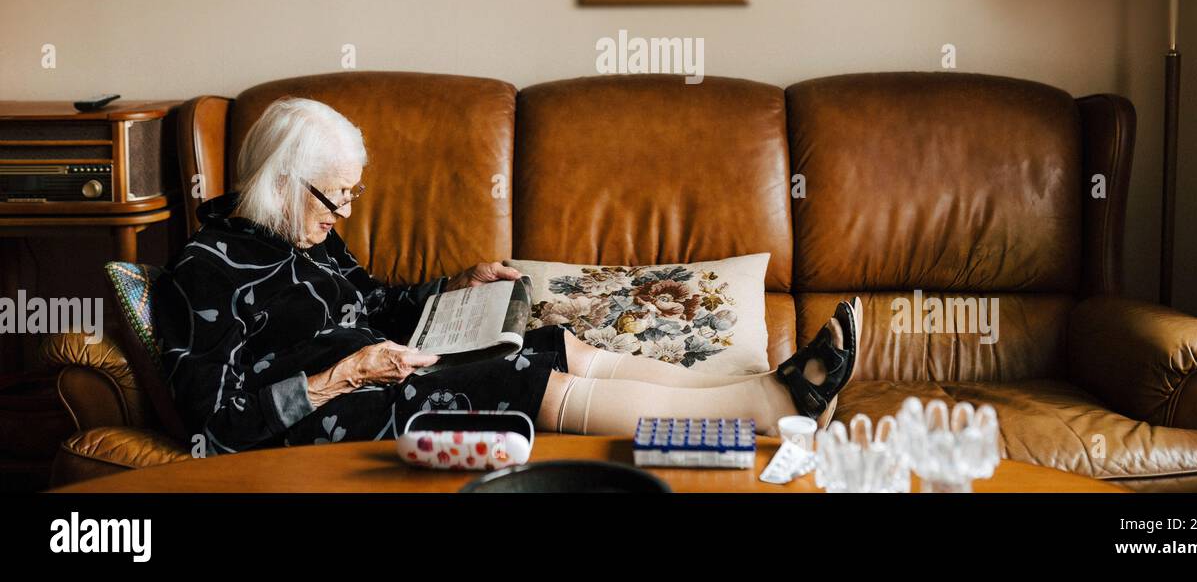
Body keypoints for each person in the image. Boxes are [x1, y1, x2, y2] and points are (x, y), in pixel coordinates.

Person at [155, 97, 860, 455]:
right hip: (329, 416)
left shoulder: (309, 237)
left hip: (386, 371)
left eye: (352, 195)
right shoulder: (206, 270)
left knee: (552, 344)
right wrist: (348, 373)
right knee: (514, 376)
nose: (343, 212)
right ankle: (770, 411)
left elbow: (375, 300)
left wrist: (455, 289)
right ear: (283, 183)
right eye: (333, 195)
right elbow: (214, 425)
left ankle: (764, 387)